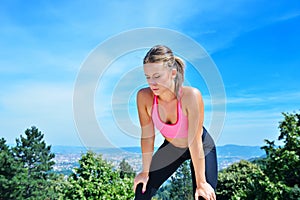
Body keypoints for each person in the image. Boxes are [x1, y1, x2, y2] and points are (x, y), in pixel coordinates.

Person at [133, 45, 218, 200]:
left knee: (203, 196)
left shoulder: (190, 96)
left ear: (172, 73)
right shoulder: (144, 97)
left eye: (157, 76)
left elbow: (194, 141)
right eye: (147, 77)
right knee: (142, 190)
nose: (152, 83)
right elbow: (147, 136)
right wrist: (145, 172)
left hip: (201, 146)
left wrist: (201, 183)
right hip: (173, 147)